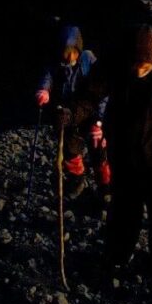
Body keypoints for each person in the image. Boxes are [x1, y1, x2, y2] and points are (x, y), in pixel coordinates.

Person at [71, 24, 152, 279]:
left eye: (146, 66)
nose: (139, 70)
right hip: (125, 157)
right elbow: (90, 96)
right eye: (136, 64)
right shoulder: (116, 64)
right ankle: (117, 258)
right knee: (122, 212)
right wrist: (71, 114)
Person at [35, 25, 110, 200]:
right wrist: (43, 90)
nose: (70, 57)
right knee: (70, 149)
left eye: (73, 52)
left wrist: (99, 120)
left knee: (99, 148)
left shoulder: (88, 59)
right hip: (67, 114)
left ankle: (106, 187)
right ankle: (77, 182)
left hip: (90, 112)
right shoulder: (54, 63)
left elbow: (102, 91)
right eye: (66, 52)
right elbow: (47, 77)